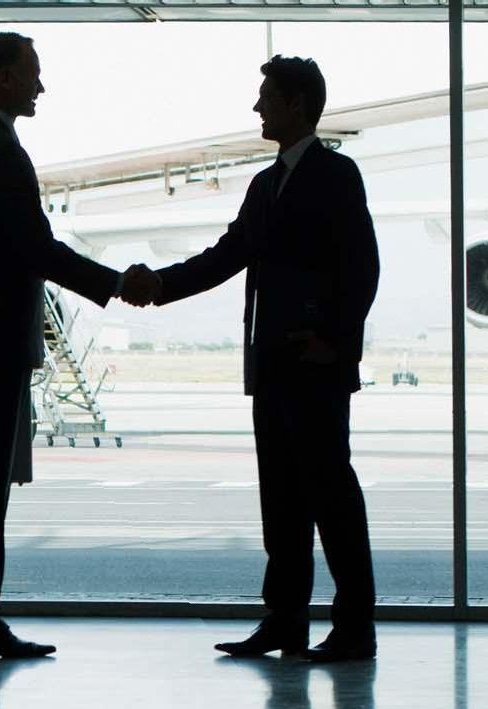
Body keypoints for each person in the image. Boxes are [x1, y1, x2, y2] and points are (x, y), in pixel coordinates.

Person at [123, 56, 380, 663]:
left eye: (266, 97)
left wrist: (336, 343)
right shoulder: (266, 184)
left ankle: (354, 628)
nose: (258, 108)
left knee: (332, 499)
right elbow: (227, 254)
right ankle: (284, 622)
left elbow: (363, 266)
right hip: (272, 367)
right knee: (283, 501)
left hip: (314, 365)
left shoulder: (336, 174)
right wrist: (158, 284)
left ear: (296, 104)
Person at [0, 31, 147, 660]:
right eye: (33, 73)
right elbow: (33, 248)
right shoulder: (0, 152)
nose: (42, 85)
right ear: (4, 79)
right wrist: (112, 283)